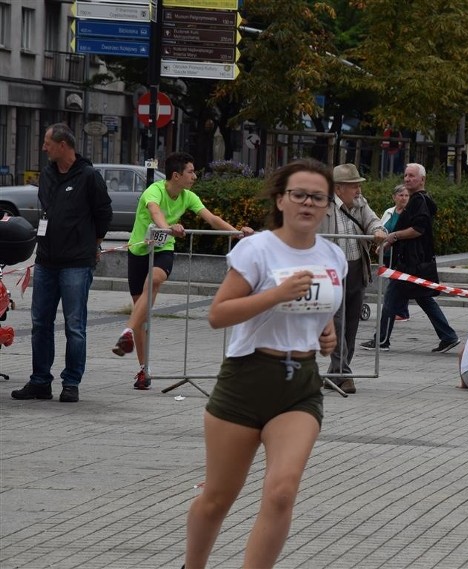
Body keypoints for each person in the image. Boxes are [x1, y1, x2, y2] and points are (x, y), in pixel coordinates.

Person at [183, 158, 346, 569]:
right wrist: (276, 293)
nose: (307, 203)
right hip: (247, 379)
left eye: (317, 197)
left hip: (300, 386)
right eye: (299, 195)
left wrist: (327, 332)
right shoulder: (256, 249)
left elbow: (322, 308)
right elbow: (219, 314)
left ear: (328, 205)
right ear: (281, 199)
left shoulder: (333, 256)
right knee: (218, 498)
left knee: (281, 492)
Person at [110, 152, 253, 390]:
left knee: (155, 278)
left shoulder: (188, 196)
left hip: (163, 250)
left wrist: (237, 233)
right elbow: (156, 213)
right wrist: (168, 228)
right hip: (139, 252)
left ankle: (127, 329)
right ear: (176, 175)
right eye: (190, 172)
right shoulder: (153, 191)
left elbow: (212, 218)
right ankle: (143, 370)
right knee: (142, 317)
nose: (194, 177)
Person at [11, 123, 112, 403]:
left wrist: (93, 243)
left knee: (74, 325)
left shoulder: (89, 176)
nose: (43, 148)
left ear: (63, 145)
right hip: (46, 260)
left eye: (47, 143)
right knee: (40, 323)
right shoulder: (47, 174)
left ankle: (71, 382)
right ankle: (40, 381)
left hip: (76, 263)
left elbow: (104, 212)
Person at [361, 163, 460, 353]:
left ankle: (381, 340)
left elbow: (418, 229)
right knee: (424, 299)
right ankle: (448, 336)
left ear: (422, 179)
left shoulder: (418, 201)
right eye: (405, 175)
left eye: (412, 176)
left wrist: (394, 237)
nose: (407, 179)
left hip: (411, 263)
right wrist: (392, 241)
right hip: (414, 261)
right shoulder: (418, 200)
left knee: (392, 298)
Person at [319, 163, 387, 394]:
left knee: (351, 325)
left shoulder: (360, 204)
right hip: (332, 273)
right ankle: (345, 375)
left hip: (357, 269)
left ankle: (334, 372)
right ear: (338, 189)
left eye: (358, 185)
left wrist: (379, 231)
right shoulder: (323, 207)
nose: (358, 190)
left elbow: (374, 221)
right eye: (353, 186)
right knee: (336, 322)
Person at [380, 183, 410, 321]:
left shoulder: (409, 214)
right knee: (395, 282)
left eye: (406, 195)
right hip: (386, 253)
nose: (404, 198)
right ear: (394, 197)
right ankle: (396, 310)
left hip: (401, 254)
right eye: (401, 195)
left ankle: (401, 311)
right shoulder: (389, 212)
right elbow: (381, 228)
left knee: (398, 282)